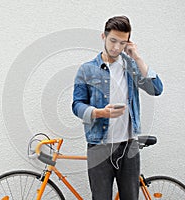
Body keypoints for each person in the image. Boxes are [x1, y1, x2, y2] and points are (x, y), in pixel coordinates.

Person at [72, 16, 163, 200]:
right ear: (103, 37)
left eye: (122, 43)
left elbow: (156, 89)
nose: (116, 47)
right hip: (99, 146)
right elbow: (77, 104)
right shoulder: (87, 70)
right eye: (113, 40)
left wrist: (136, 56)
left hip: (129, 146)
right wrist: (99, 113)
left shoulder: (131, 67)